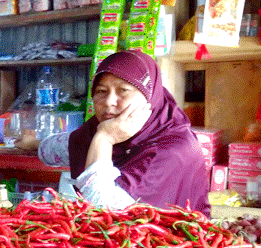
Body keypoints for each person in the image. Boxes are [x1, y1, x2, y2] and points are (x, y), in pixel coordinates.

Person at [20, 50, 210, 215]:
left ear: (149, 97)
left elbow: (104, 213)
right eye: (102, 91)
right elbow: (66, 147)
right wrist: (33, 143)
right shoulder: (106, 127)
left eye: (123, 91)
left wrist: (104, 139)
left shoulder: (171, 150)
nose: (110, 101)